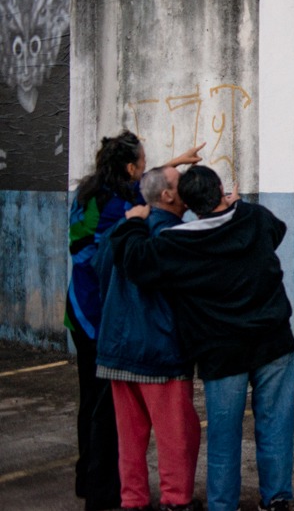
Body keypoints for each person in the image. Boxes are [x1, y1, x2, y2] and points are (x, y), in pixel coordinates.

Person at [111, 165, 294, 511]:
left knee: (223, 436)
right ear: (222, 189)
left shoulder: (179, 240)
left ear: (189, 203)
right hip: (273, 341)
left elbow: (136, 263)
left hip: (221, 352)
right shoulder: (253, 217)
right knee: (275, 425)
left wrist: (134, 222)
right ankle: (276, 499)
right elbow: (277, 231)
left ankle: (222, 505)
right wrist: (237, 207)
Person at [65, 131, 203, 511]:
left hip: (85, 311)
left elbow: (150, 184)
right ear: (129, 169)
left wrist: (176, 162)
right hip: (99, 313)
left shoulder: (92, 193)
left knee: (98, 408)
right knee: (107, 414)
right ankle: (102, 489)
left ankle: (101, 486)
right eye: (144, 161)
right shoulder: (123, 211)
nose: (147, 168)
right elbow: (146, 199)